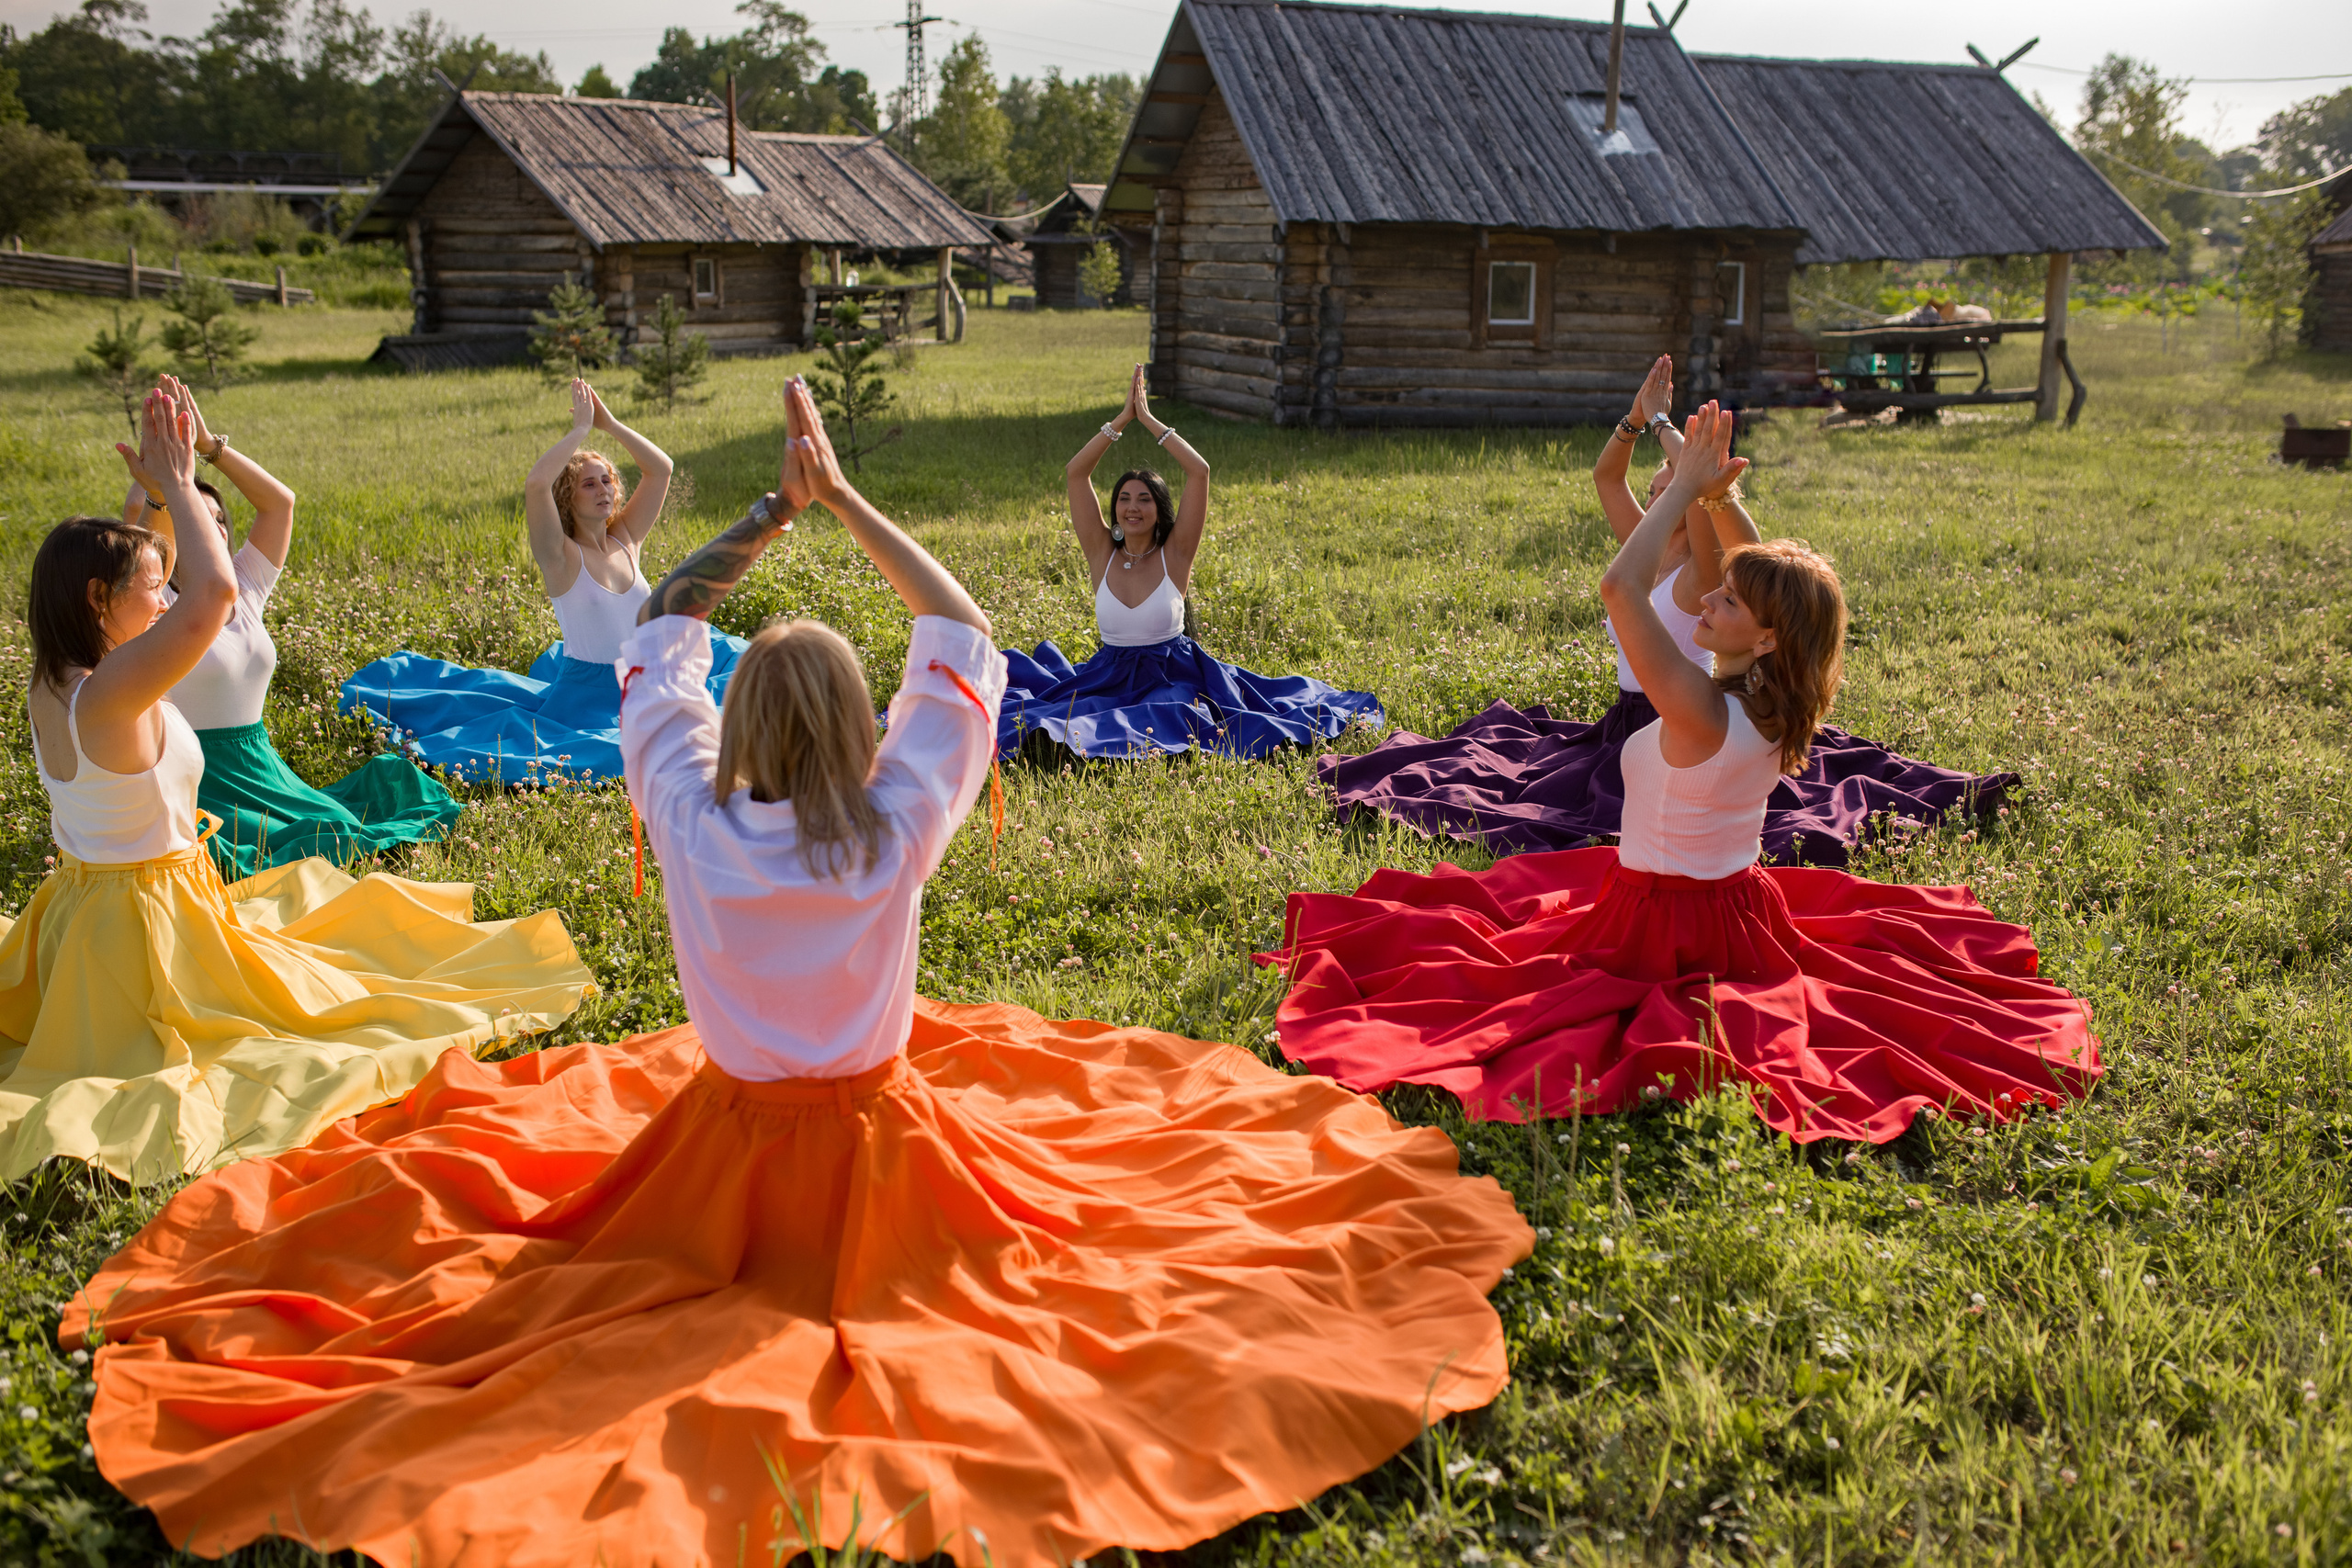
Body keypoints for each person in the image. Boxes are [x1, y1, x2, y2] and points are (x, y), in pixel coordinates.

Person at [67, 380, 1532, 1568]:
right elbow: (959, 635)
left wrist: (770, 516)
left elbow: (663, 638)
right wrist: (846, 502)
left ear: (737, 725)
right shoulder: (896, 823)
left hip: (719, 1147)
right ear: (857, 728)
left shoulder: (691, 816)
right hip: (890, 1148)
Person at [1266, 403, 2098, 1145]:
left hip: (1658, 926)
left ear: (1765, 637)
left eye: (1726, 605)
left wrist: (1680, 489)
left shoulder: (1703, 711)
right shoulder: (1777, 695)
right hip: (1738, 908)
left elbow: (1619, 585)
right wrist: (1713, 497)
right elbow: (1773, 579)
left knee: (1483, 990)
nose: (1706, 603)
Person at [0, 387, 594, 1183]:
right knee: (297, 1037)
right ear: (96, 600)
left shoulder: (61, 677)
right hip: (144, 926)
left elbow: (183, 586)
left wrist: (164, 489)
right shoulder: (112, 694)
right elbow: (213, 597)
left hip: (83, 908)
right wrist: (178, 485)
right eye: (150, 582)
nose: (165, 591)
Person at [1320, 355, 2016, 865]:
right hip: (1637, 718)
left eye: (1666, 492)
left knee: (1548, 805)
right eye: (1659, 492)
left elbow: (1725, 560)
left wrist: (1689, 471)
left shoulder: (1703, 578)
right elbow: (1605, 477)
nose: (1655, 499)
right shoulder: (1653, 556)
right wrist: (1642, 418)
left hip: (1669, 720)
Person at [114, 376, 462, 879]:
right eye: (192, 514)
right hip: (195, 774)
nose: (206, 525)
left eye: (216, 518)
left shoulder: (244, 586)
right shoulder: (154, 602)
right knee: (255, 854)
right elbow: (142, 529)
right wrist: (167, 488)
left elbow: (280, 503)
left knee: (341, 823)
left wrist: (211, 448)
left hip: (259, 762)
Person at [339, 380, 748, 784]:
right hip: (590, 699)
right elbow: (536, 484)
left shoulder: (625, 540)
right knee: (615, 751)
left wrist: (610, 424)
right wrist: (579, 432)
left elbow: (661, 469)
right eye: (589, 483)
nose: (603, 489)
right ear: (568, 497)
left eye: (607, 480)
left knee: (731, 695)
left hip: (648, 682)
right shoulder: (560, 555)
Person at [998, 364, 1384, 759]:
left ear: (1159, 510)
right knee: (1052, 717)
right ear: (1113, 510)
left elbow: (1199, 472)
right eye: (1125, 498)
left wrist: (1149, 421)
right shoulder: (1102, 553)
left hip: (1174, 675)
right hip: (1109, 675)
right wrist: (1120, 421)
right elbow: (1076, 475)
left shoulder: (1175, 555)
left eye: (1145, 499)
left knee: (1172, 713)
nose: (1133, 507)